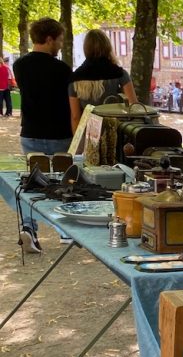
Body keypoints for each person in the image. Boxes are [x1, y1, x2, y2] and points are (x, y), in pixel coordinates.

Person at [13, 18, 74, 250]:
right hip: (59, 133)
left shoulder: (19, 65)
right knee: (64, 183)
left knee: (33, 183)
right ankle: (64, 229)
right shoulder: (62, 69)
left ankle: (29, 228)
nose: (59, 45)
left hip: (30, 132)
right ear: (49, 39)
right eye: (58, 40)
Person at [69, 28, 138, 131]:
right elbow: (133, 106)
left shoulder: (75, 78)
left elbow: (75, 117)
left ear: (86, 49)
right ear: (107, 47)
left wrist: (78, 141)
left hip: (89, 132)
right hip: (115, 131)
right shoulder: (120, 74)